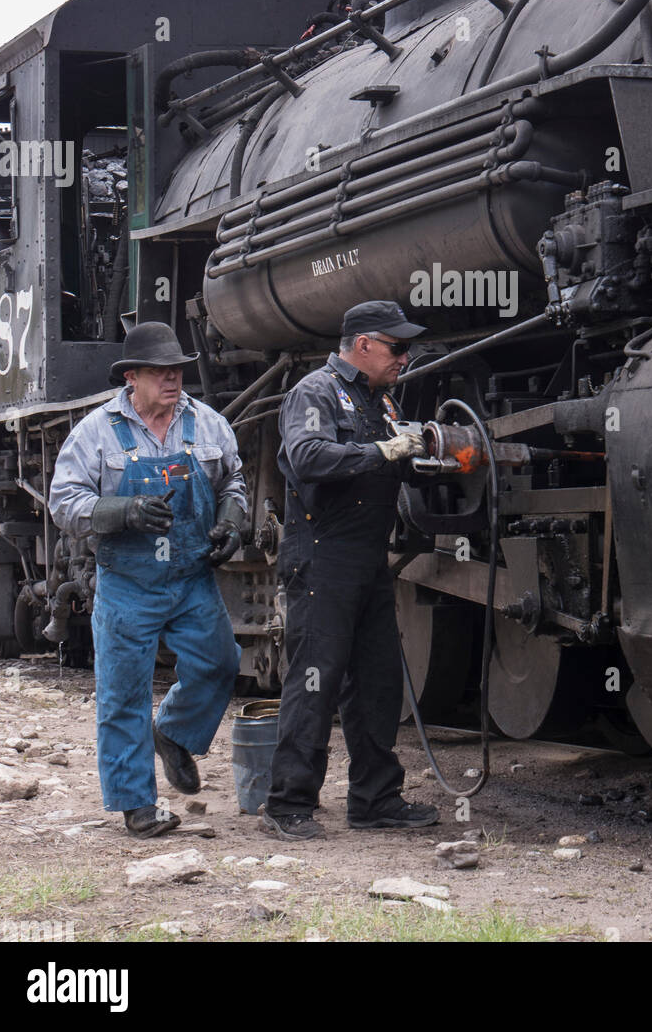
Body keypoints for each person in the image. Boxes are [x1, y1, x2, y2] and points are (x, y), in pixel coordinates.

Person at [48, 322, 247, 838]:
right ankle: (137, 805)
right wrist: (121, 511)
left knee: (221, 664)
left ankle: (174, 731)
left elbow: (235, 483)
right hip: (128, 583)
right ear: (131, 377)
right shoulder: (94, 431)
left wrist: (230, 522)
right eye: (160, 372)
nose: (173, 380)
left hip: (190, 577)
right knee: (122, 695)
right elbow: (63, 504)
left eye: (177, 370)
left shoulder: (207, 425)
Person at [264, 300, 438, 839]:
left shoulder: (381, 399)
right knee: (315, 680)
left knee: (377, 683)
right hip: (322, 556)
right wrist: (381, 452)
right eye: (397, 347)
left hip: (366, 558)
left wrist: (429, 454)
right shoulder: (314, 392)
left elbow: (388, 460)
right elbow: (310, 455)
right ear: (362, 345)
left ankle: (375, 799)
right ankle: (288, 804)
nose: (405, 358)